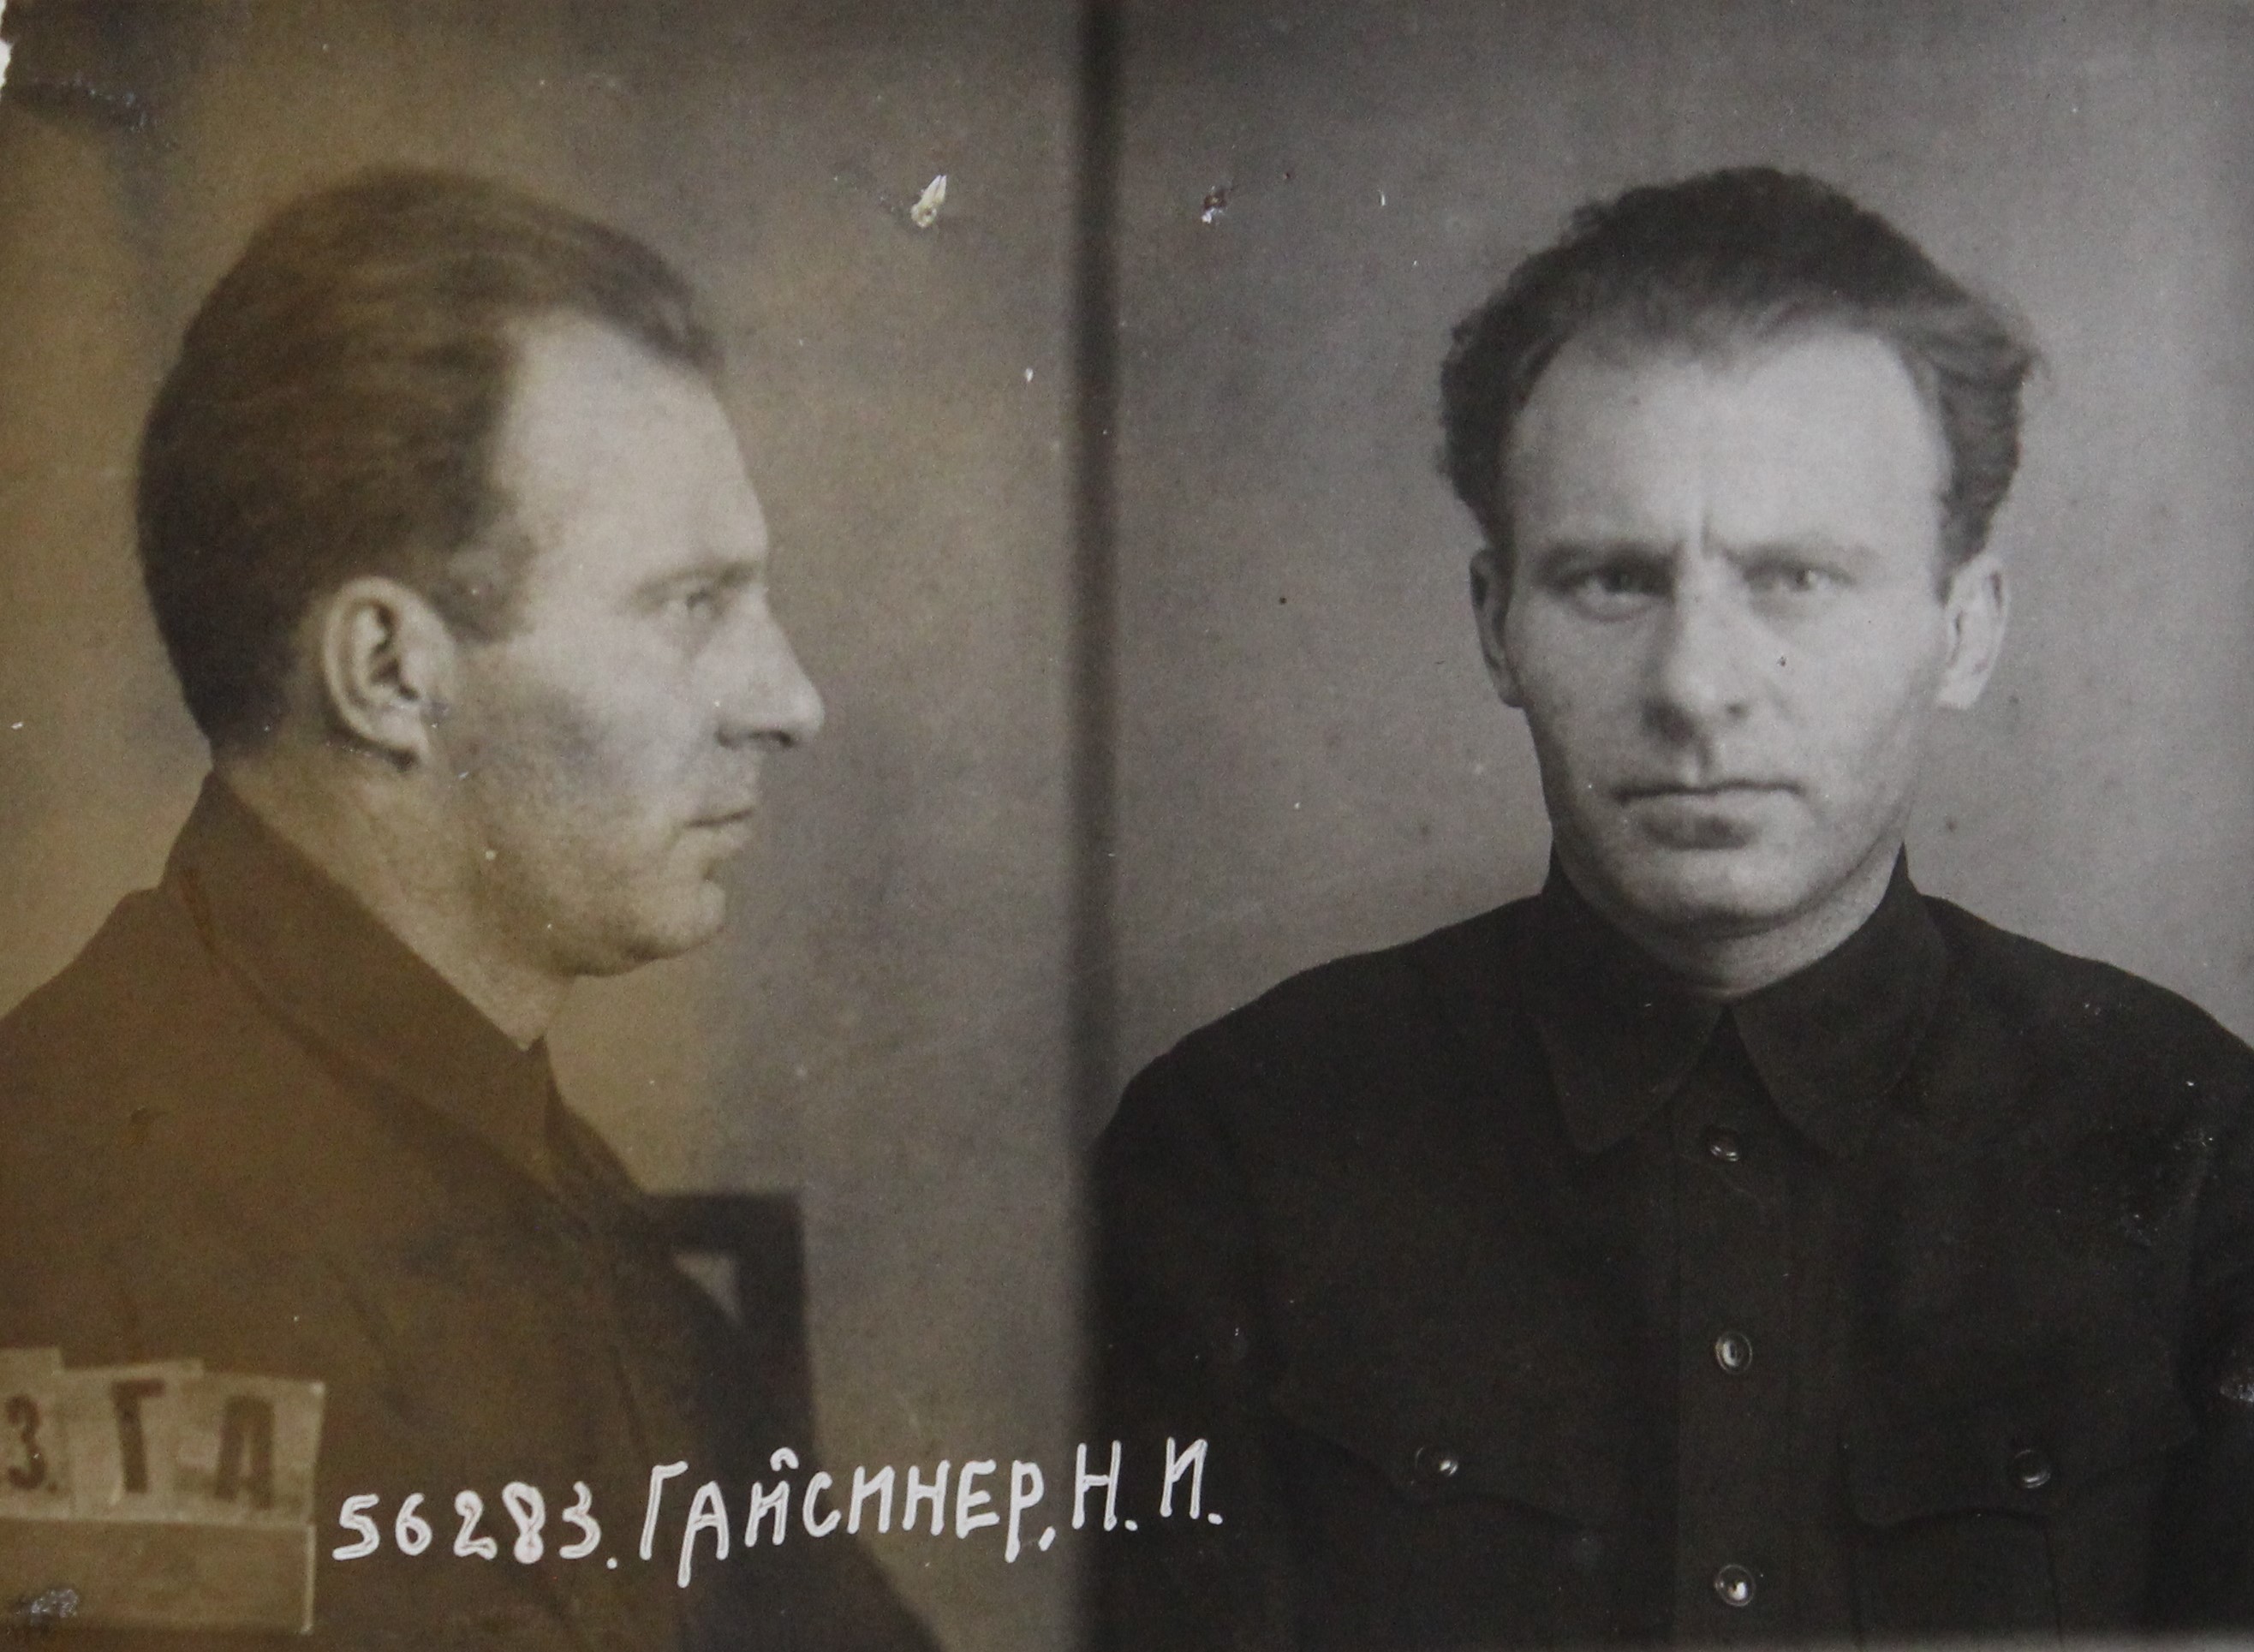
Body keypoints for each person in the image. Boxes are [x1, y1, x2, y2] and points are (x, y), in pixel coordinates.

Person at [1090, 168, 2254, 1647]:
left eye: (1797, 578)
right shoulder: (1232, 1155)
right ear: (1495, 623)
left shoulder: (2203, 1152)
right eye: (1613, 580)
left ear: (1965, 630)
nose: (1698, 686)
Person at [0, 170, 933, 1649]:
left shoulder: (536, 1164)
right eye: (689, 604)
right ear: (388, 672)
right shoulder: (99, 1233)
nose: (791, 701)